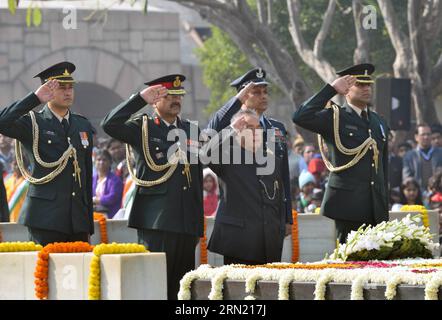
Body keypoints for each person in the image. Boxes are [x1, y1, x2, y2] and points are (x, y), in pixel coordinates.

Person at [101, 74, 204, 300]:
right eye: (168, 95)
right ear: (155, 100)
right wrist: (139, 99)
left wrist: (197, 223)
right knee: (156, 287)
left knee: (183, 289)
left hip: (186, 222)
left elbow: (195, 177)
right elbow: (110, 124)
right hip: (157, 221)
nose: (175, 99)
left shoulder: (191, 130)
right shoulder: (143, 127)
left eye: (178, 95)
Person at [292, 63, 389, 243]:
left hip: (376, 206)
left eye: (369, 85)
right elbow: (300, 116)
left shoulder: (379, 122)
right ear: (346, 89)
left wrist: (384, 202)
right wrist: (331, 89)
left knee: (379, 266)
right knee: (351, 263)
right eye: (360, 84)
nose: (367, 88)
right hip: (348, 205)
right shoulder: (335, 117)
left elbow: (383, 167)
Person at [0, 61, 95, 245]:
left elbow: (86, 177)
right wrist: (34, 99)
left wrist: (87, 223)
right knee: (45, 273)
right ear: (47, 90)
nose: (68, 92)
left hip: (77, 221)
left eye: (70, 87)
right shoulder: (33, 122)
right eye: (61, 88)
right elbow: (2, 122)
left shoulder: (82, 124)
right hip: (45, 219)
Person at [206, 68, 292, 265]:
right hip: (240, 231)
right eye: (256, 92)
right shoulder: (231, 130)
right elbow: (208, 139)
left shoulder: (276, 129)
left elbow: (283, 177)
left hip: (270, 226)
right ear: (244, 96)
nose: (263, 96)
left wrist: (287, 217)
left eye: (265, 92)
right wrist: (236, 103)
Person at [402, 124, 442, 190]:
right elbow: (407, 178)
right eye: (423, 134)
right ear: (416, 137)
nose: (426, 137)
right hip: (417, 196)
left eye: (428, 134)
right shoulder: (409, 156)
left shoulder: (440, 153)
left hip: (438, 195)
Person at [92, 149, 123, 218]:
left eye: (104, 160)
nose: (101, 162)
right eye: (98, 160)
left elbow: (113, 197)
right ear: (94, 162)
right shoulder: (92, 179)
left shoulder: (115, 180)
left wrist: (96, 200)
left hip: (110, 215)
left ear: (110, 162)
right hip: (93, 214)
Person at [4, 158, 30, 222]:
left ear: (24, 166)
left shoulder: (28, 182)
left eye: (18, 164)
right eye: (14, 164)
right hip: (9, 218)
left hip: (22, 219)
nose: (16, 167)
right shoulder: (8, 180)